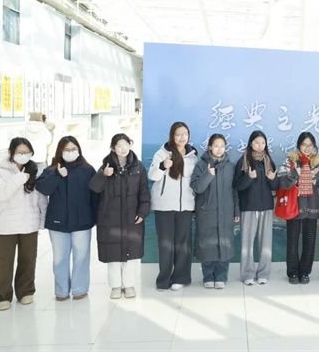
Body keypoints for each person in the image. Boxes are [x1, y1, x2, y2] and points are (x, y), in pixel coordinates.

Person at [89, 134, 151, 299]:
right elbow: (94, 188)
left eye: (126, 144)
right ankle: (116, 286)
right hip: (110, 218)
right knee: (113, 254)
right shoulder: (106, 166)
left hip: (132, 218)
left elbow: (144, 192)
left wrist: (143, 212)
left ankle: (129, 285)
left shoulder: (138, 167)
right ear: (113, 148)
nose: (123, 149)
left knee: (131, 254)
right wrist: (103, 174)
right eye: (119, 145)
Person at [0, 137, 47, 311]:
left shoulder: (35, 172)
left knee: (28, 260)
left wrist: (42, 221)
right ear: (11, 153)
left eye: (27, 152)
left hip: (29, 225)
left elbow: (41, 199)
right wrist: (20, 178)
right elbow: (1, 194)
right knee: (3, 262)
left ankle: (25, 291)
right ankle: (1, 296)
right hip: (5, 226)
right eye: (20, 152)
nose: (24, 155)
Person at [36, 136, 97, 301]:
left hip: (82, 221)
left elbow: (95, 195)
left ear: (79, 150)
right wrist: (57, 174)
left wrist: (96, 218)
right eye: (67, 150)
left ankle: (79, 289)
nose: (70, 152)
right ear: (60, 151)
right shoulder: (51, 170)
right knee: (60, 258)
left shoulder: (88, 169)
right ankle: (61, 291)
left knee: (81, 257)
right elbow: (43, 188)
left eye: (73, 149)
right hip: (58, 222)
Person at [148, 122, 198, 291]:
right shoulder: (161, 153)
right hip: (164, 206)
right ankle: (163, 280)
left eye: (185, 134)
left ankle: (181, 278)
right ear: (172, 136)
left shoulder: (193, 156)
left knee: (183, 244)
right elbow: (152, 176)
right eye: (178, 134)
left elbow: (195, 181)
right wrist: (163, 166)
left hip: (186, 206)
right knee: (165, 244)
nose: (182, 137)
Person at [277, 132, 319, 284]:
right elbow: (282, 183)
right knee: (292, 241)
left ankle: (305, 272)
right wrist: (295, 173)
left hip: (311, 205)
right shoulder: (291, 160)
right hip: (295, 206)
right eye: (304, 144)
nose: (307, 148)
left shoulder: (318, 162)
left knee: (310, 241)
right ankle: (293, 273)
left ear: (314, 146)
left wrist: (317, 175)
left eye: (310, 145)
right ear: (299, 145)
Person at [190, 133, 239, 289]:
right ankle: (208, 277)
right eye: (216, 146)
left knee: (224, 244)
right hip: (207, 212)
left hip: (226, 212)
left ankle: (221, 277)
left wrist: (236, 211)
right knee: (207, 245)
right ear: (210, 147)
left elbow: (234, 191)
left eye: (222, 146)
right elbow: (196, 187)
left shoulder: (230, 166)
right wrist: (208, 175)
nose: (219, 149)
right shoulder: (201, 165)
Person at [233, 130, 279, 286]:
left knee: (266, 243)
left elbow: (275, 186)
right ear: (251, 143)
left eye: (263, 143)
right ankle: (247, 274)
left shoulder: (268, 161)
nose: (260, 146)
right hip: (248, 207)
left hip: (266, 207)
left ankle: (263, 273)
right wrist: (249, 177)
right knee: (247, 244)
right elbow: (237, 186)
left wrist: (272, 180)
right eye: (257, 142)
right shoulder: (243, 161)